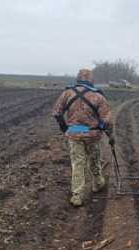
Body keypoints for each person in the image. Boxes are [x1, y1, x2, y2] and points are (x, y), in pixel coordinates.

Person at [52, 68, 114, 207]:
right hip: (93, 134)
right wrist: (110, 134)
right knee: (94, 160)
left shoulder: (67, 93)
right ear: (91, 79)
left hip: (74, 133)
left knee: (77, 164)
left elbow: (56, 112)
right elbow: (107, 119)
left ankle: (77, 195)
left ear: (78, 78)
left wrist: (64, 127)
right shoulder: (98, 96)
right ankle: (98, 183)